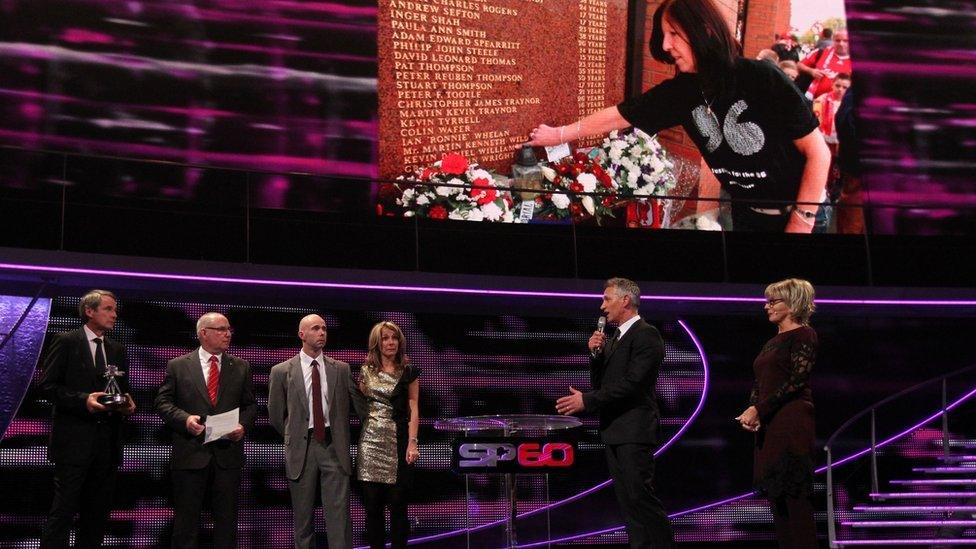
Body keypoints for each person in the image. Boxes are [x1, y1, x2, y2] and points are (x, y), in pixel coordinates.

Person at [527, 0, 830, 233]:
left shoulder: (761, 77)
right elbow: (620, 116)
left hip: (801, 212)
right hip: (746, 215)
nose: (665, 45)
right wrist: (559, 135)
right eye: (663, 35)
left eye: (674, 33)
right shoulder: (682, 92)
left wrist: (801, 223)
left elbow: (818, 153)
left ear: (705, 30)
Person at [555, 278, 673, 548]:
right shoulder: (614, 339)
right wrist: (595, 356)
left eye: (607, 299)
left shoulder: (646, 334)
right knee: (628, 503)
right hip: (614, 429)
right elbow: (603, 385)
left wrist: (587, 401)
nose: (602, 306)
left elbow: (633, 384)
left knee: (641, 498)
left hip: (635, 428)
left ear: (625, 301)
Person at [38, 289, 136, 548]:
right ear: (89, 311)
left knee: (96, 517)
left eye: (115, 310)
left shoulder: (117, 348)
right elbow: (48, 387)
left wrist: (127, 403)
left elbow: (121, 390)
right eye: (108, 309)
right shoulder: (66, 341)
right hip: (73, 445)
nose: (114, 315)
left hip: (106, 446)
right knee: (63, 513)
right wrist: (84, 399)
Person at [154, 312, 256, 549]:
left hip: (227, 456)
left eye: (229, 329)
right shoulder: (178, 366)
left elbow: (250, 406)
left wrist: (243, 425)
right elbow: (162, 403)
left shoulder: (241, 366)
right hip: (191, 454)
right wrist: (185, 419)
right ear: (203, 333)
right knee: (186, 522)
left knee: (227, 522)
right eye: (221, 329)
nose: (227, 334)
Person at [268, 314, 366, 549]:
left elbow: (360, 408)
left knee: (339, 517)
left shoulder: (341, 369)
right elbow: (275, 415)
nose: (321, 332)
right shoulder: (281, 371)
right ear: (302, 334)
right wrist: (296, 436)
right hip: (303, 447)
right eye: (315, 328)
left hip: (334, 444)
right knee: (303, 519)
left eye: (324, 328)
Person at [736, 278, 818, 549]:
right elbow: (760, 382)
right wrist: (754, 411)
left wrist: (759, 408)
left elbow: (796, 381)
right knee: (777, 497)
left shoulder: (804, 335)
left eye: (773, 301)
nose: (766, 306)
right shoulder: (772, 342)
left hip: (791, 421)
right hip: (770, 423)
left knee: (794, 497)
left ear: (792, 303)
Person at [356, 321, 420, 549]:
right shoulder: (366, 371)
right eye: (385, 338)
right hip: (371, 442)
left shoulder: (409, 371)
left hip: (398, 441)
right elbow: (361, 404)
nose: (390, 342)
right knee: (372, 508)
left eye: (394, 338)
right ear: (377, 342)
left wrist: (412, 443)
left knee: (398, 507)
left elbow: (414, 408)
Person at [797, 30, 852, 100]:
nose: (841, 43)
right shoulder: (821, 52)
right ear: (833, 41)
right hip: (815, 102)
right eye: (838, 40)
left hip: (841, 104)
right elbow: (799, 65)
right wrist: (811, 71)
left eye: (845, 41)